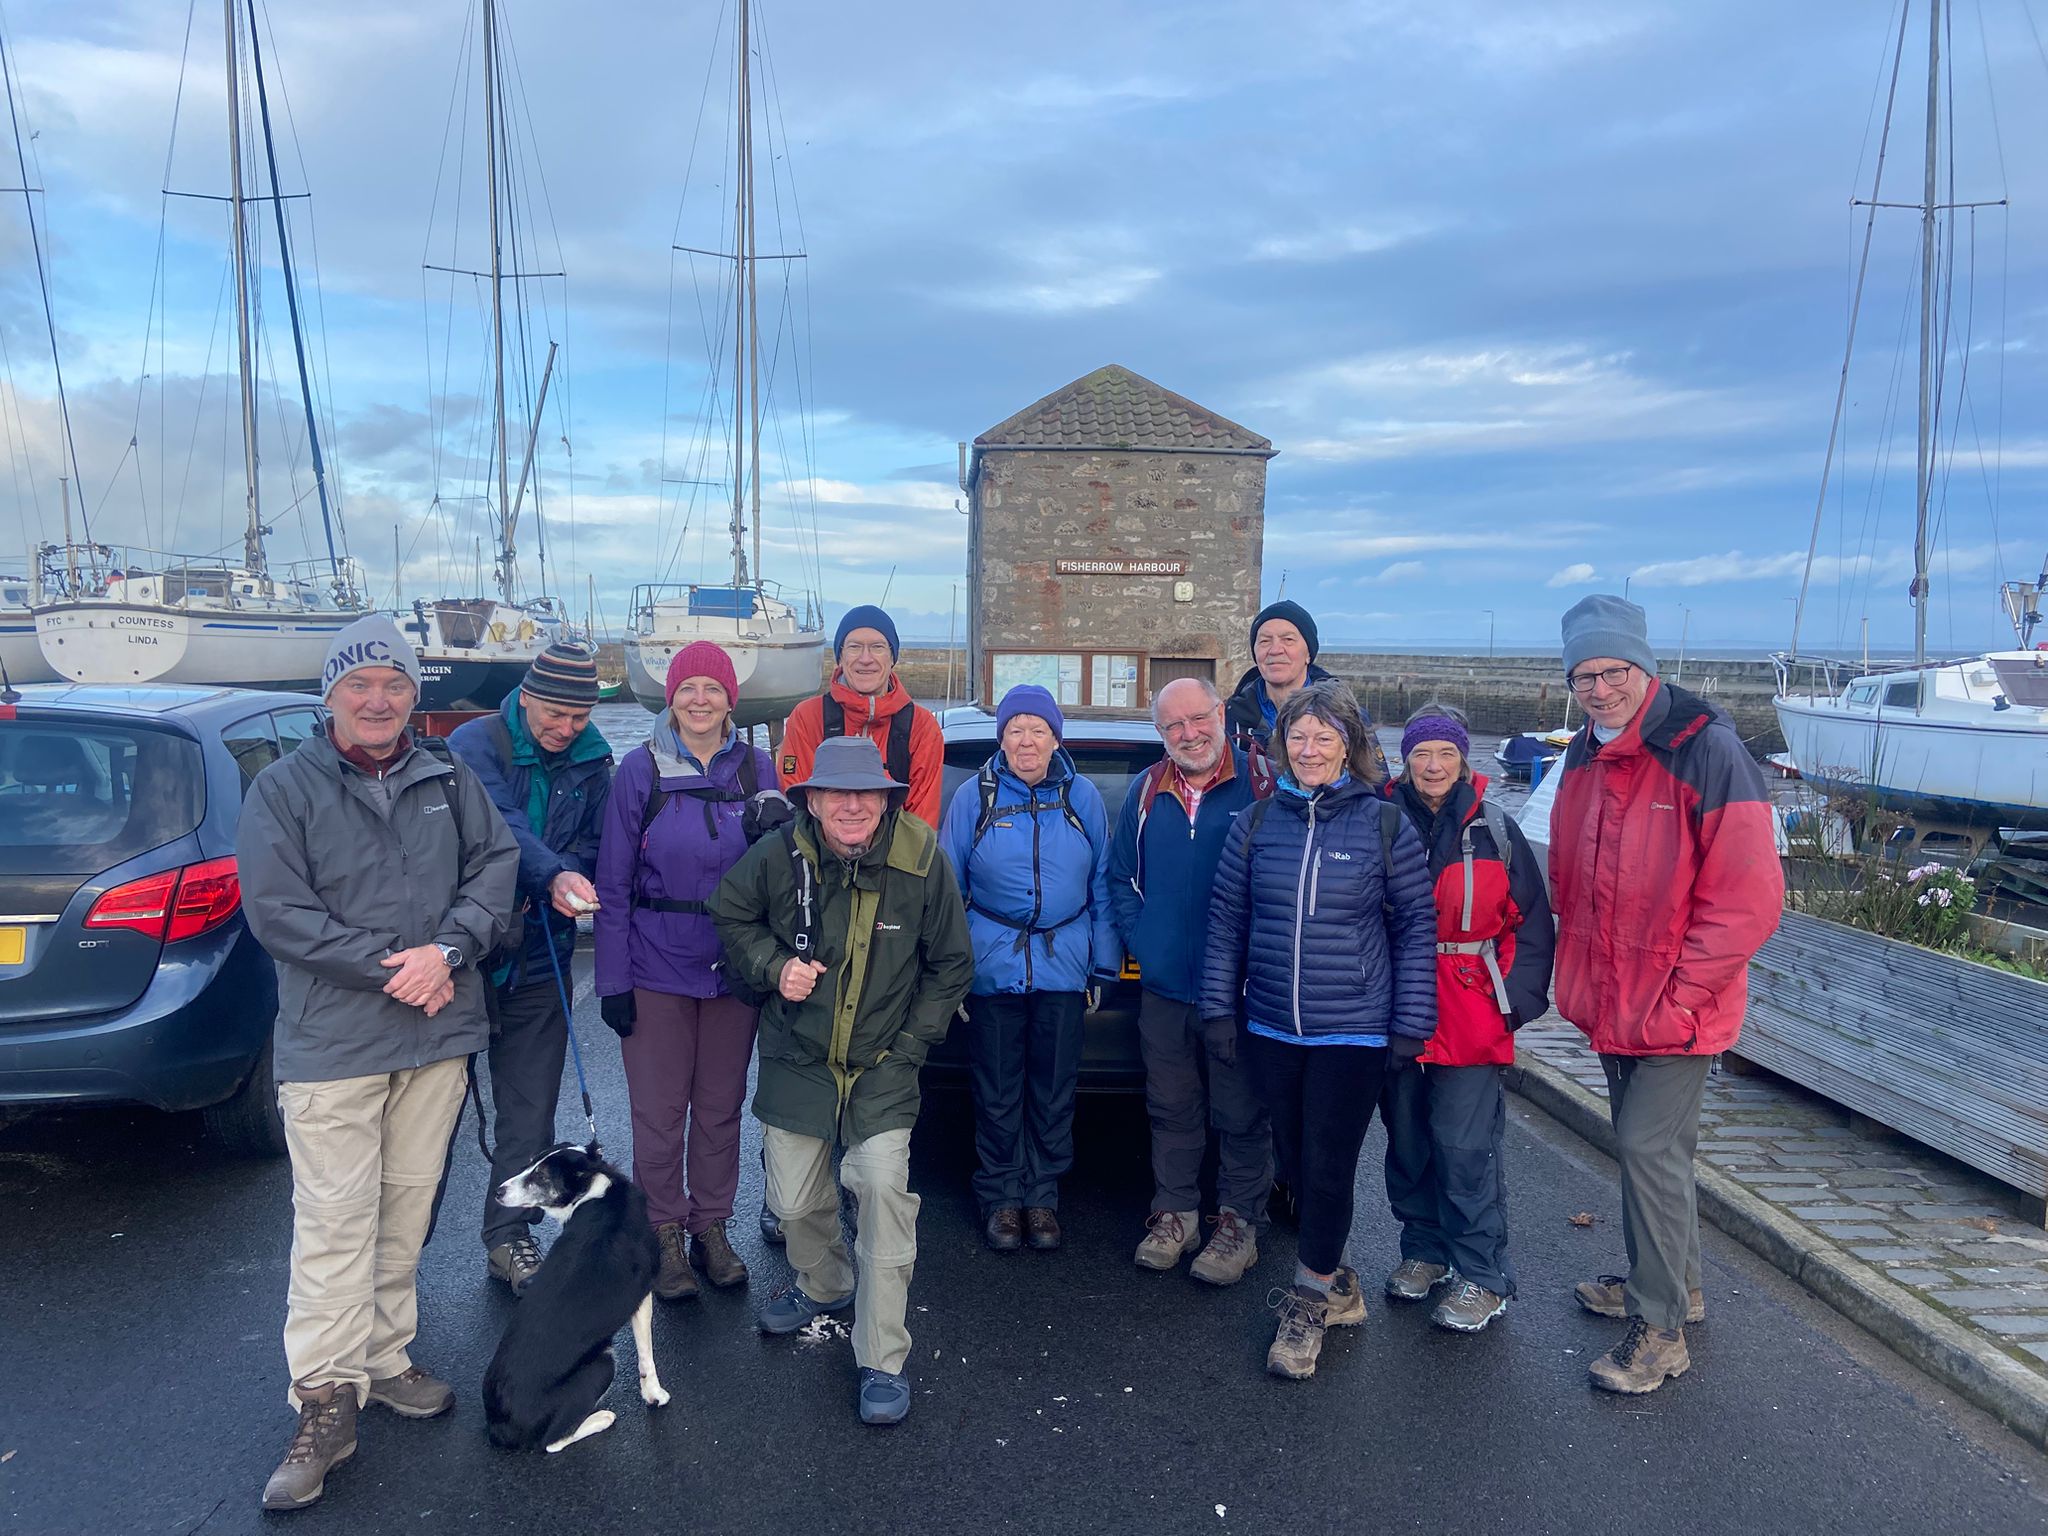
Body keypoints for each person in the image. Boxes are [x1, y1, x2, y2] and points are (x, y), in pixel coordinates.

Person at [239, 615, 518, 1511]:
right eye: (360, 685)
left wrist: (451, 949)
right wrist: (395, 971)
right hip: (335, 1044)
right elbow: (278, 912)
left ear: (412, 696)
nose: (378, 700)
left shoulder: (448, 774)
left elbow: (496, 864)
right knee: (333, 1223)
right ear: (330, 695)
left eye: (394, 686)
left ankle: (385, 1357)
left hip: (434, 1035)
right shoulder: (284, 788)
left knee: (405, 1209)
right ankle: (324, 1399)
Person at [1548, 594, 1782, 1394]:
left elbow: (1749, 897)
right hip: (1615, 996)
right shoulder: (1586, 749)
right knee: (1662, 1156)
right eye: (1585, 675)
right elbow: (1572, 874)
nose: (1600, 688)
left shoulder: (1706, 749)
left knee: (1647, 1150)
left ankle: (1659, 1332)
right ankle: (1676, 1285)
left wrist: (1683, 998)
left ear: (1645, 667)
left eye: (1613, 671)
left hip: (1677, 1006)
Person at [709, 736, 973, 1426]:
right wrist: (773, 967)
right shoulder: (778, 857)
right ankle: (824, 1286)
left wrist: (913, 1045)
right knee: (794, 1207)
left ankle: (882, 1355)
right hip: (799, 1062)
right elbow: (728, 911)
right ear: (814, 801)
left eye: (867, 795)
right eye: (837, 794)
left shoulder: (922, 862)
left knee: (883, 1190)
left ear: (886, 801)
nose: (853, 807)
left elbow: (951, 965)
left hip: (884, 1069)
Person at [1200, 681, 1435, 1380]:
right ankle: (1335, 1278)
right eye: (1298, 736)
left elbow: (1416, 927)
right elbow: (1225, 926)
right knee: (1296, 1168)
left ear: (1350, 747)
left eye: (1324, 737)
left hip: (1353, 1032)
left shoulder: (1385, 826)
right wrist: (1219, 1008)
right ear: (1283, 746)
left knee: (1330, 1167)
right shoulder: (1255, 824)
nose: (1309, 749)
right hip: (1273, 1024)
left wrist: (1408, 1025)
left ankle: (1306, 1305)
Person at [594, 641, 782, 1301]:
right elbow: (612, 886)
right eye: (687, 689)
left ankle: (712, 1227)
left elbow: (782, 877)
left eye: (712, 689)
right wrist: (611, 981)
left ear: (731, 699)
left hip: (733, 967)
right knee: (658, 1112)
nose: (699, 701)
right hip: (654, 966)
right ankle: (664, 1232)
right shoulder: (638, 772)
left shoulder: (759, 770)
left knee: (720, 1109)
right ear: (670, 698)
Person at [1379, 705, 1553, 1334]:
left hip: (1469, 1011)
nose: (1432, 766)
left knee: (1465, 1148)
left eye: (1445, 754)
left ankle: (1483, 1273)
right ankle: (1423, 1250)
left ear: (1462, 759)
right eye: (1422, 753)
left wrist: (1514, 1003)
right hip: (1396, 1009)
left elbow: (1531, 926)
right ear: (1406, 759)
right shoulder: (1379, 817)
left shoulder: (1497, 830)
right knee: (1408, 1142)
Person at [447, 641, 613, 1295]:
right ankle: (388, 1263)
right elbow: (498, 822)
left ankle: (508, 1237)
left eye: (579, 717)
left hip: (542, 960)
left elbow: (599, 845)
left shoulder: (596, 759)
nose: (565, 729)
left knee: (529, 1116)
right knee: (422, 1123)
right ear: (526, 696)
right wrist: (553, 870)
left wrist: (572, 872)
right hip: (460, 959)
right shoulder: (474, 742)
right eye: (554, 714)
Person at [938, 684, 1119, 1255]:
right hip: (993, 965)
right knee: (996, 1090)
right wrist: (955, 970)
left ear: (1055, 738)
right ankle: (1000, 1198)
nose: (1026, 740)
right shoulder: (976, 795)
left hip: (1064, 966)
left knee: (1053, 1090)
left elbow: (1103, 884)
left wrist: (1104, 962)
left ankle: (1041, 1196)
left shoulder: (1082, 794)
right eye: (1015, 729)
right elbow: (950, 887)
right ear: (1003, 739)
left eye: (1037, 730)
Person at [1107, 676, 1275, 1283]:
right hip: (1166, 987)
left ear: (1221, 713)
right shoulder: (1149, 790)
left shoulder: (1262, 782)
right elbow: (1118, 875)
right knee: (1171, 1108)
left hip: (1240, 992)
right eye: (1173, 725)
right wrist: (1144, 941)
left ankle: (1237, 1225)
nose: (1189, 733)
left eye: (1198, 719)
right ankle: (1176, 1213)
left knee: (1241, 1111)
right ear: (1160, 733)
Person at [779, 603, 945, 829]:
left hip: (896, 859)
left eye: (877, 647)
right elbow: (798, 801)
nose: (865, 658)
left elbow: (922, 821)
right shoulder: (808, 717)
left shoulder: (921, 726)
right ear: (839, 656)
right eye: (854, 647)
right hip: (821, 857)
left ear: (892, 657)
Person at [1223, 599, 1389, 781]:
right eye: (1264, 641)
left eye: (1288, 640)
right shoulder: (1231, 717)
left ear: (1309, 653)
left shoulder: (1346, 715)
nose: (1275, 649)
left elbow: (1376, 782)